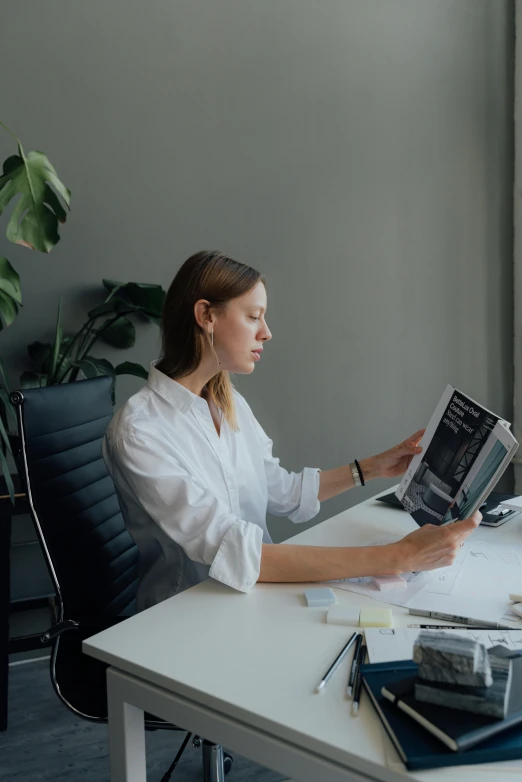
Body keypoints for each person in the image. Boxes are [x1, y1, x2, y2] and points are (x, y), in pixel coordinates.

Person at [103, 250, 481, 611]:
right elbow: (234, 550)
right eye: (253, 316)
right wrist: (397, 556)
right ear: (206, 315)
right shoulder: (141, 431)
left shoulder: (226, 401)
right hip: (186, 613)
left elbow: (281, 491)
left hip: (251, 600)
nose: (266, 332)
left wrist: (373, 468)